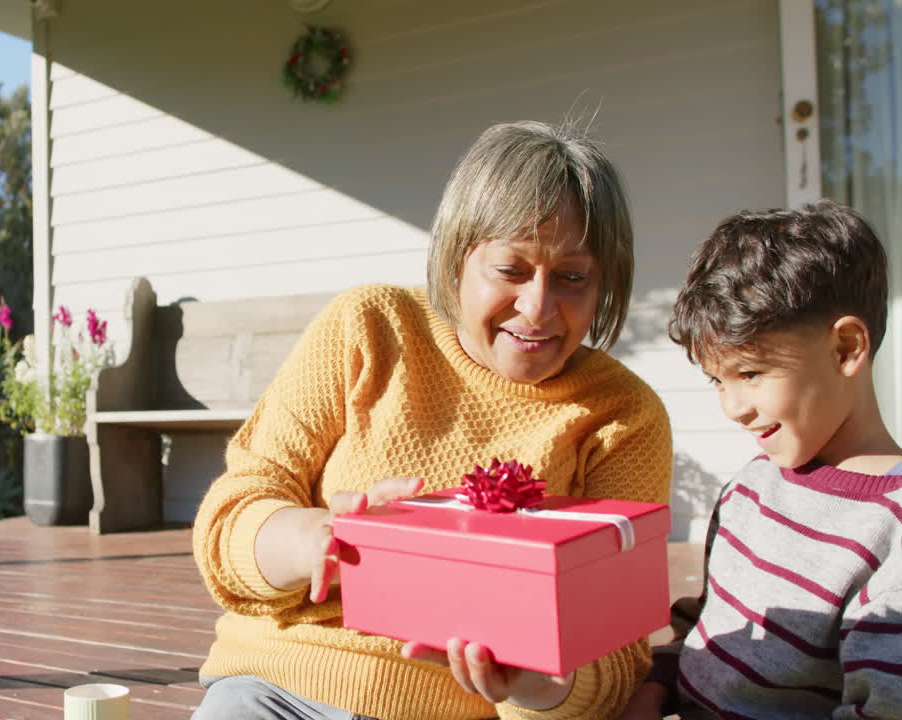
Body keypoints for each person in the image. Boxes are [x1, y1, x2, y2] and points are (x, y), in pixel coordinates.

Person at [190, 119, 673, 720]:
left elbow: (617, 655)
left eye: (573, 278)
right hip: (277, 688)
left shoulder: (624, 415)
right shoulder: (368, 327)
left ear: (606, 281)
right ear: (456, 258)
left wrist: (534, 680)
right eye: (511, 271)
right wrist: (313, 540)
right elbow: (234, 512)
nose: (538, 308)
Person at [617, 202, 902, 719]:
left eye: (750, 373)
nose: (732, 408)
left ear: (845, 348)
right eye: (717, 380)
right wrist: (656, 685)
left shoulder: (892, 533)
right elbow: (708, 630)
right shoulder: (750, 487)